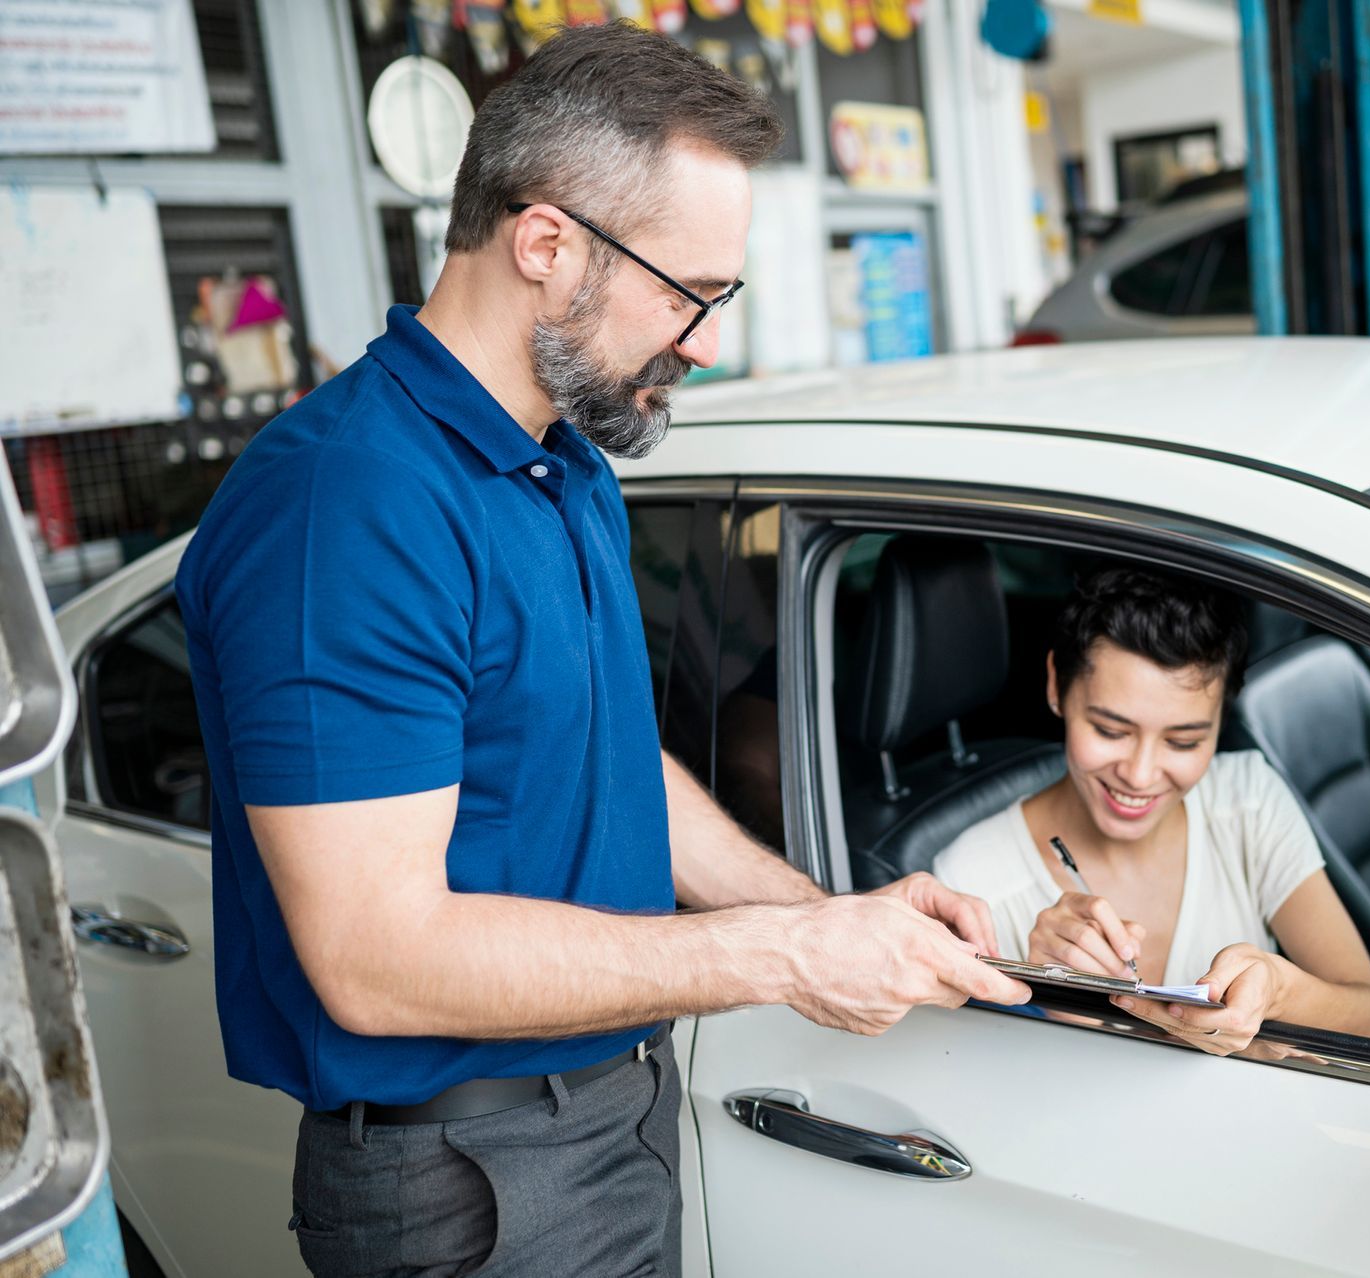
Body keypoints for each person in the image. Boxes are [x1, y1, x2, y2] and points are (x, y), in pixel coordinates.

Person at [175, 26, 1026, 1278]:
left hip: (607, 1113)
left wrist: (825, 912)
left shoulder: (562, 461)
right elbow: (375, 961)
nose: (706, 339)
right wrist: (780, 958)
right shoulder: (347, 507)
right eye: (692, 292)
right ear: (546, 243)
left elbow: (611, 765)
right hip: (468, 1181)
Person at [933, 567, 1370, 1055]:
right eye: (1111, 731)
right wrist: (1056, 1004)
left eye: (1183, 741)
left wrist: (1280, 990)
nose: (1139, 774)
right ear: (1056, 686)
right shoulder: (970, 884)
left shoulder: (1246, 801)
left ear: (1222, 719)